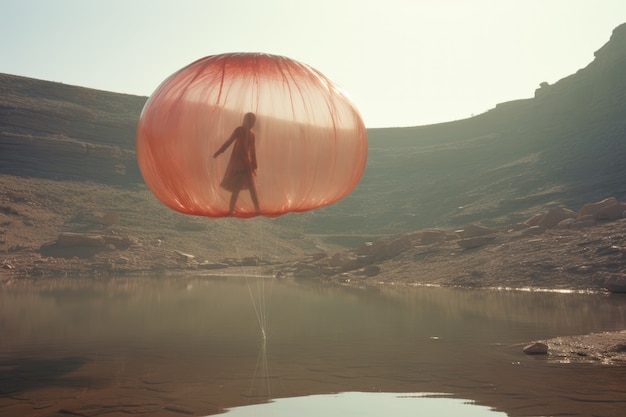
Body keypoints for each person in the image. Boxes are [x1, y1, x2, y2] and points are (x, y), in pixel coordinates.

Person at [213, 112, 260, 216]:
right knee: (241, 189)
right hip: (241, 165)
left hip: (242, 165)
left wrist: (254, 162)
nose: (247, 122)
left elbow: (252, 151)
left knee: (243, 188)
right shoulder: (240, 131)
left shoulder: (248, 134)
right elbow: (229, 142)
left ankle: (255, 209)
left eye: (248, 120)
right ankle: (235, 210)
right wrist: (219, 151)